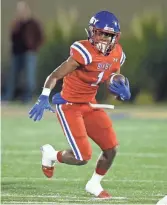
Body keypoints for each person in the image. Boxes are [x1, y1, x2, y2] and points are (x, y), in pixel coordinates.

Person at [29, 11, 131, 199]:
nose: (102, 38)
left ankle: (94, 184)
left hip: (90, 104)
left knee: (111, 149)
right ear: (92, 33)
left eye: (107, 35)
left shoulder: (117, 54)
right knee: (82, 157)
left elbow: (108, 77)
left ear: (115, 37)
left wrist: (119, 88)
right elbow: (55, 75)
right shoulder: (82, 52)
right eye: (99, 33)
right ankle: (52, 155)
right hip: (69, 105)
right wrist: (43, 96)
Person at [3, 1, 43, 103]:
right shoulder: (17, 24)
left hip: (29, 53)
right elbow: (12, 37)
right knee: (13, 76)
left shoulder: (33, 23)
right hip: (17, 53)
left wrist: (34, 47)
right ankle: (8, 96)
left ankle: (28, 97)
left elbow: (40, 36)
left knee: (29, 76)